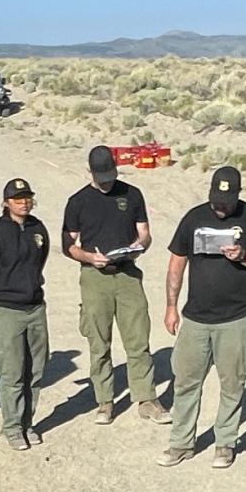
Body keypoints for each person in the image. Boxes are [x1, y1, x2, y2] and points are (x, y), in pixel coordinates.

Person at [159, 165, 246, 470]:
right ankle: (181, 443)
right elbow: (176, 264)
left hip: (237, 318)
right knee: (186, 382)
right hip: (196, 318)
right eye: (215, 200)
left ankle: (225, 443)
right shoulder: (194, 218)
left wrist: (245, 257)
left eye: (225, 202)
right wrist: (171, 306)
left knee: (232, 383)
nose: (219, 207)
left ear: (238, 195)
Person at [62, 145, 162, 422]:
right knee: (99, 341)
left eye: (111, 175)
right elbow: (68, 244)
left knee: (138, 339)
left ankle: (146, 398)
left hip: (128, 275)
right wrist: (89, 258)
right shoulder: (78, 201)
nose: (107, 181)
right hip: (95, 279)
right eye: (102, 176)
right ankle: (105, 401)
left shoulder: (132, 195)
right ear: (90, 171)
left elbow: (145, 234)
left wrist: (139, 246)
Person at [0, 177, 53, 450]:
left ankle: (27, 423)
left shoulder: (38, 228)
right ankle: (12, 427)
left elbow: (40, 260)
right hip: (8, 310)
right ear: (6, 202)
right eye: (18, 199)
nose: (24, 203)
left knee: (35, 370)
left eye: (28, 197)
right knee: (12, 373)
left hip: (35, 308)